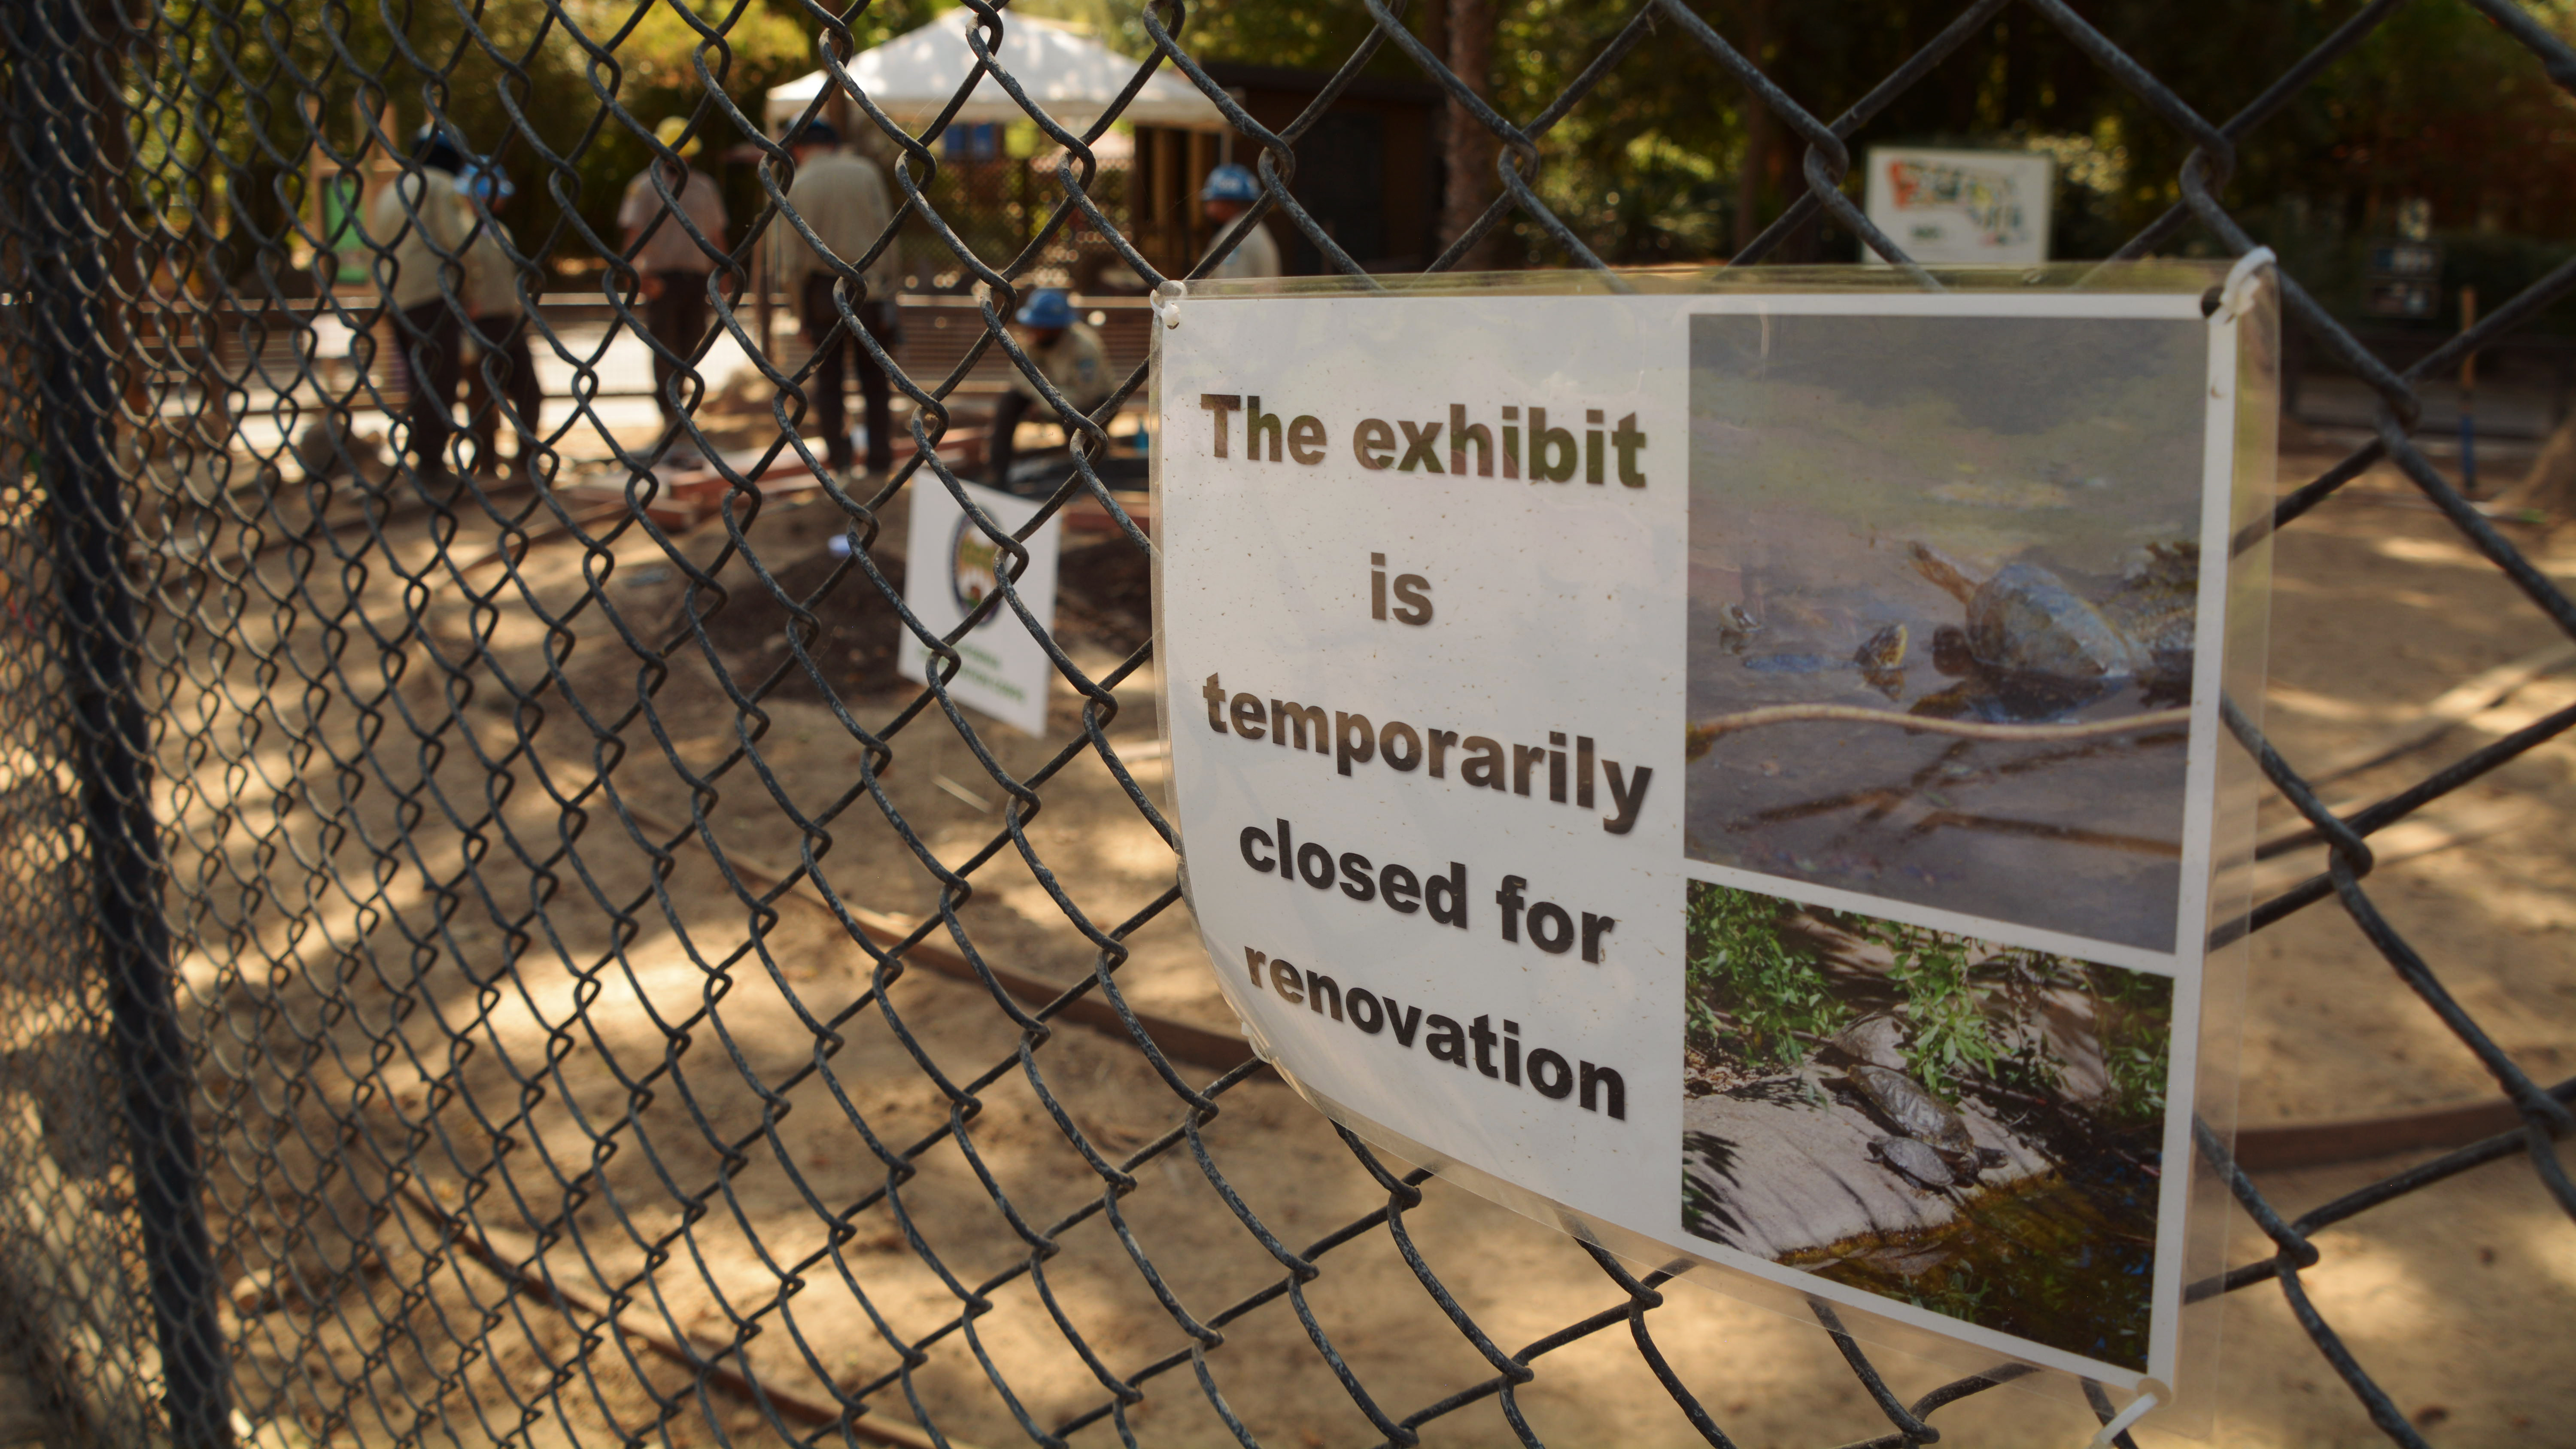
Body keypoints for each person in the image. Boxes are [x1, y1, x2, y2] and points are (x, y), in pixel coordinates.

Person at [773, 120, 902, 480]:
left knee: (829, 383)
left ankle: (841, 463)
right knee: (875, 380)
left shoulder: (797, 185)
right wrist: (892, 295)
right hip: (870, 289)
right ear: (833, 143)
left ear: (798, 149)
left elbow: (791, 262)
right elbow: (889, 235)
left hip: (821, 294)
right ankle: (879, 461)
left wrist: (799, 313)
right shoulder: (866, 173)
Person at [365, 125, 474, 478]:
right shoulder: (440, 187)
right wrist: (472, 289)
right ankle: (431, 461)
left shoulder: (393, 190)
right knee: (440, 379)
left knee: (419, 378)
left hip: (396, 299)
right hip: (432, 295)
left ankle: (423, 451)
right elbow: (458, 242)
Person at [618, 115, 729, 462]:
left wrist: (724, 272)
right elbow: (633, 234)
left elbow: (716, 235)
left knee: (691, 342)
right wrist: (634, 275)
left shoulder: (704, 187)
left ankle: (682, 404)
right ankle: (669, 412)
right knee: (664, 345)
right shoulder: (645, 187)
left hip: (696, 278)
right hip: (661, 280)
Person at [459, 160, 542, 477]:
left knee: (529, 392)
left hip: (509, 323)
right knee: (481, 399)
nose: (503, 200)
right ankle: (489, 463)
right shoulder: (461, 230)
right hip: (479, 326)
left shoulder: (499, 229)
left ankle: (525, 460)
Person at [987, 289, 1112, 491]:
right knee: (1009, 402)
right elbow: (1019, 376)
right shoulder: (1035, 341)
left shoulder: (1084, 347)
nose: (1034, 330)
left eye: (1040, 326)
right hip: (1049, 397)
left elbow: (1086, 395)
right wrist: (1043, 399)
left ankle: (1090, 481)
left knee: (1079, 428)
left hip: (1091, 405)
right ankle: (999, 474)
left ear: (1057, 328)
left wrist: (1045, 403)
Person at [1195, 163, 1281, 280]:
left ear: (1227, 203)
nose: (1208, 206)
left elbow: (1228, 290)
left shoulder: (1237, 237)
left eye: (1212, 200)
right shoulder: (1252, 229)